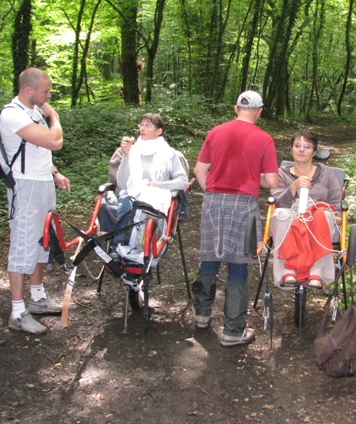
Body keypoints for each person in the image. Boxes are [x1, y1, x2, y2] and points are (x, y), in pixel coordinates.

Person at [192, 91, 279, 347]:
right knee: (238, 265)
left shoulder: (215, 132)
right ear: (259, 111)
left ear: (235, 108)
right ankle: (232, 331)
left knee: (209, 259)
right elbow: (272, 181)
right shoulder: (264, 139)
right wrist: (254, 179)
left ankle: (201, 315)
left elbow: (199, 170)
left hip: (213, 201)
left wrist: (211, 191)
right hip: (244, 205)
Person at [0, 67, 71, 335]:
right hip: (25, 187)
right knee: (23, 245)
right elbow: (54, 141)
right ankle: (18, 312)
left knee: (43, 239)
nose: (49, 94)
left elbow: (38, 150)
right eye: (46, 90)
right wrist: (54, 116)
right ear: (29, 89)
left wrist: (55, 173)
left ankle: (38, 298)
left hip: (43, 183)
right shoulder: (12, 114)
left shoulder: (33, 113)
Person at [270, 130, 342, 289]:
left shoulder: (326, 173)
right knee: (281, 214)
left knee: (321, 214)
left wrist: (337, 216)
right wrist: (293, 187)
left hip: (318, 217)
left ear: (314, 152)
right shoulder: (281, 174)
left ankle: (316, 272)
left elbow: (336, 201)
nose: (301, 150)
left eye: (307, 146)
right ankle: (287, 271)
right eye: (297, 145)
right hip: (290, 215)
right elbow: (277, 202)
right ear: (291, 149)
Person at [113, 113, 188, 244]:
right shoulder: (132, 151)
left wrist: (157, 184)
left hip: (155, 199)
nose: (142, 129)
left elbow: (182, 181)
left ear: (159, 131)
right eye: (141, 125)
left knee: (130, 205)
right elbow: (123, 184)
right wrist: (126, 156)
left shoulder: (169, 153)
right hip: (132, 196)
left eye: (148, 125)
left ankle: (119, 245)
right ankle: (120, 245)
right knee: (126, 202)